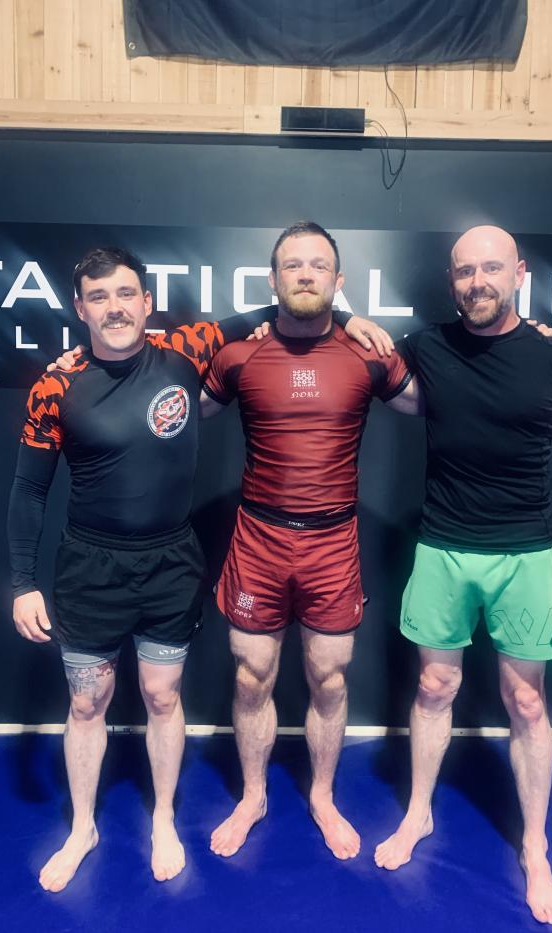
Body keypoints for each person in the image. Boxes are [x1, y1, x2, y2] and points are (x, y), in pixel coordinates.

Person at [10, 245, 387, 892]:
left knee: (162, 696)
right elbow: (27, 490)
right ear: (79, 308)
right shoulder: (57, 383)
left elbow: (289, 306)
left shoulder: (185, 349)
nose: (114, 308)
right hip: (88, 565)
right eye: (98, 297)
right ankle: (82, 828)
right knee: (86, 700)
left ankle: (162, 818)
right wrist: (22, 582)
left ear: (146, 301)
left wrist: (350, 319)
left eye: (125, 294)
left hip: (170, 561)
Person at [374, 225, 552, 926]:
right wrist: (353, 322)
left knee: (528, 702)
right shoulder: (426, 346)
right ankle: (418, 812)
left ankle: (535, 846)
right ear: (451, 280)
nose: (477, 281)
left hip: (527, 556)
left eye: (490, 268)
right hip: (443, 549)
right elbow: (365, 364)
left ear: (518, 272)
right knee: (434, 687)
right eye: (464, 271)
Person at [200, 221, 418, 861]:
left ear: (338, 280)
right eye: (292, 265)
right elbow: (171, 402)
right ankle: (253, 795)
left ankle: (322, 796)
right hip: (258, 539)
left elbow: (445, 399)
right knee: (251, 677)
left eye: (318, 265)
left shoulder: (367, 353)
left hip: (332, 543)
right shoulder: (239, 354)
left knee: (329, 677)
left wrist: (531, 338)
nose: (304, 274)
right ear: (272, 279)